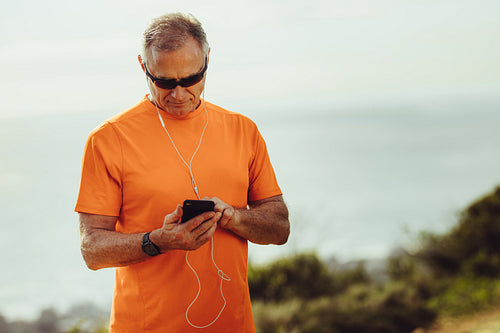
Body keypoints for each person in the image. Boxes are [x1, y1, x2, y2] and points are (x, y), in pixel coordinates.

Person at [75, 12, 290, 333]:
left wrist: (234, 217)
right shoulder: (108, 139)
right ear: (142, 66)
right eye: (163, 81)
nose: (178, 94)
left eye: (190, 79)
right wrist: (157, 241)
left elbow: (280, 228)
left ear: (207, 61)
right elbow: (92, 250)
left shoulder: (243, 130)